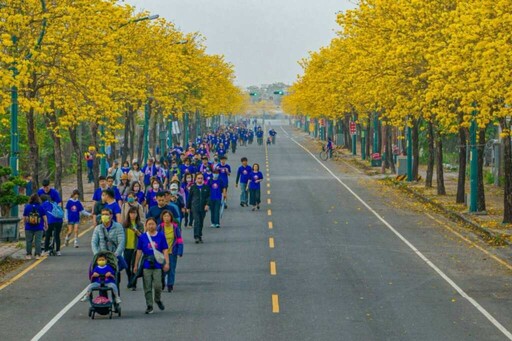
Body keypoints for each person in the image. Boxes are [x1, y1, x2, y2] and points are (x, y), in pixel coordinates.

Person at [133, 218, 170, 314]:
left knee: (158, 285)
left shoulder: (161, 236)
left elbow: (165, 250)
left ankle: (157, 299)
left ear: (156, 225)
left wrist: (167, 263)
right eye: (149, 224)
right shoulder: (143, 237)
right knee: (147, 286)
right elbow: (139, 251)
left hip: (157, 265)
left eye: (152, 224)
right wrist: (136, 265)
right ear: (146, 225)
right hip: (146, 265)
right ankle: (149, 305)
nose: (151, 226)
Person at [158, 210, 183, 292]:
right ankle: (162, 283)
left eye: (168, 216)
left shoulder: (175, 227)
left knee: (171, 269)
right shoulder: (160, 227)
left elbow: (179, 240)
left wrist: (180, 251)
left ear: (171, 217)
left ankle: (170, 285)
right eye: (165, 216)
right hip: (162, 253)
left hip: (172, 251)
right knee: (162, 269)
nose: (166, 218)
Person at [123, 207, 144, 291]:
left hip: (136, 248)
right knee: (127, 267)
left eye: (134, 213)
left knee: (134, 266)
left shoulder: (139, 224)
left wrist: (136, 231)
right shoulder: (125, 224)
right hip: (126, 248)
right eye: (131, 213)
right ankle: (130, 281)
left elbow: (142, 236)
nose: (133, 215)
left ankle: (133, 284)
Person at [187, 173, 210, 244]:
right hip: (195, 207)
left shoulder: (206, 187)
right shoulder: (193, 187)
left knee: (201, 222)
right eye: (198, 178)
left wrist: (207, 204)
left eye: (201, 178)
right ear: (196, 179)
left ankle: (200, 235)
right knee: (196, 221)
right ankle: (196, 236)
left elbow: (208, 197)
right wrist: (188, 207)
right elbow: (190, 198)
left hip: (203, 207)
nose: (200, 179)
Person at [23, 194, 48, 260]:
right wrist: (46, 224)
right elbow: (44, 216)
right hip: (39, 227)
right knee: (38, 241)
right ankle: (37, 255)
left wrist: (25, 224)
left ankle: (29, 254)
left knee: (29, 241)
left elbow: (24, 217)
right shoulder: (40, 207)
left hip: (28, 227)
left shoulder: (27, 207)